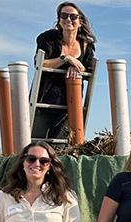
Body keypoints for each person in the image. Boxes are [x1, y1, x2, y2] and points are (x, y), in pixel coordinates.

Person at [33, 2, 97, 140]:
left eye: (73, 16)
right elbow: (40, 63)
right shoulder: (48, 38)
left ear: (80, 21)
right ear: (59, 20)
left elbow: (89, 69)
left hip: (70, 103)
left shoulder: (87, 45)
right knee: (38, 143)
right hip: (44, 101)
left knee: (63, 143)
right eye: (64, 15)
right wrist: (66, 59)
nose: (68, 19)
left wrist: (76, 65)